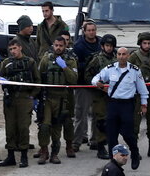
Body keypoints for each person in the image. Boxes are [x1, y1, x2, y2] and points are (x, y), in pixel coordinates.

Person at [91, 47, 149, 170]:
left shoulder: (135, 71)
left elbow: (143, 90)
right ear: (116, 55)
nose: (121, 56)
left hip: (127, 105)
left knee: (128, 134)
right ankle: (114, 162)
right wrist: (98, 84)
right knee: (112, 136)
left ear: (128, 56)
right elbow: (95, 78)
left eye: (124, 54)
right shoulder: (110, 69)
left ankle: (135, 153)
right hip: (113, 104)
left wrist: (144, 105)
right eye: (119, 54)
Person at [0, 39, 40, 168]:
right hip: (10, 98)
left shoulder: (30, 62)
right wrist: (2, 79)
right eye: (10, 49)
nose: (13, 51)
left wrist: (32, 96)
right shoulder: (6, 63)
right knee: (10, 128)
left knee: (23, 128)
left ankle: (24, 156)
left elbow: (37, 81)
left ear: (20, 48)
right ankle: (10, 156)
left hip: (24, 98)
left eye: (15, 48)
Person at [37, 37, 78, 164]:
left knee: (57, 127)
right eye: (56, 45)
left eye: (61, 45)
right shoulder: (46, 59)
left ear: (65, 46)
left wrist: (65, 67)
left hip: (62, 99)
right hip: (48, 98)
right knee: (44, 126)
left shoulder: (70, 61)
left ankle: (55, 153)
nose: (58, 47)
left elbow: (74, 80)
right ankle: (44, 151)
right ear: (53, 45)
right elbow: (39, 77)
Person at [85, 34, 118, 159]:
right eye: (107, 46)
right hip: (100, 95)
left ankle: (111, 144)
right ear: (103, 46)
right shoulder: (97, 59)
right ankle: (100, 147)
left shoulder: (117, 59)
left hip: (115, 95)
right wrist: (99, 85)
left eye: (111, 46)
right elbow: (88, 76)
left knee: (113, 121)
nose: (109, 48)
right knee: (101, 121)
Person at [72, 21, 101, 152]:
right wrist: (89, 63)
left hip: (98, 85)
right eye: (88, 30)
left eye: (93, 30)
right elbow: (75, 65)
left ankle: (95, 140)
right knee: (80, 114)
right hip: (83, 84)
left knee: (97, 114)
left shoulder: (100, 43)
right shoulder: (79, 46)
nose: (91, 32)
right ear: (84, 31)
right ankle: (77, 141)